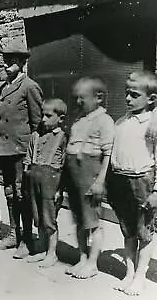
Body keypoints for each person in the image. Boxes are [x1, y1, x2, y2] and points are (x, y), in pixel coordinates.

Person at [0, 39, 43, 258]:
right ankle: (14, 234)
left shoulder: (29, 86)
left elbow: (37, 123)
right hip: (4, 149)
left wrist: (32, 153)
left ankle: (28, 240)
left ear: (21, 62)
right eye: (4, 62)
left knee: (23, 195)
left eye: (11, 62)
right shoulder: (4, 87)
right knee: (10, 193)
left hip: (21, 150)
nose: (5, 66)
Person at [108, 71, 157, 296]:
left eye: (134, 95)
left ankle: (140, 276)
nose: (127, 99)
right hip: (120, 180)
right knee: (127, 230)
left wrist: (155, 191)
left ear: (151, 99)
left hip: (142, 182)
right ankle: (128, 272)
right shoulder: (121, 121)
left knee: (144, 232)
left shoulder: (153, 124)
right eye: (126, 93)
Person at [65, 76, 114, 279]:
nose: (78, 102)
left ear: (99, 97)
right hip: (75, 176)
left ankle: (93, 262)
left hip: (90, 176)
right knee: (79, 220)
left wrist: (100, 181)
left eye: (82, 98)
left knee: (92, 222)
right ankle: (82, 258)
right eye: (76, 98)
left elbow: (108, 154)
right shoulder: (79, 120)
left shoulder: (104, 120)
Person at [23, 99, 67, 267]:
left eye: (48, 116)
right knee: (38, 217)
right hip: (34, 180)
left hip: (51, 182)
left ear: (60, 119)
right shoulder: (36, 135)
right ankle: (42, 249)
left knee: (49, 220)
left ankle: (52, 253)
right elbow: (28, 160)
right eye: (42, 115)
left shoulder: (62, 137)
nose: (43, 119)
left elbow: (64, 166)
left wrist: (59, 190)